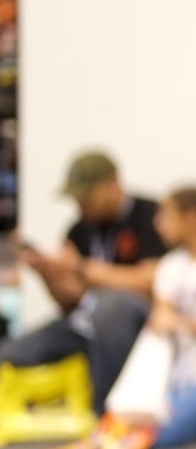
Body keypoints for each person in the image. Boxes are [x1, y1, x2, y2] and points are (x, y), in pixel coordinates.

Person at [48, 185, 196, 449]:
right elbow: (162, 318)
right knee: (127, 427)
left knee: (161, 436)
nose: (158, 224)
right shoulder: (172, 266)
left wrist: (182, 322)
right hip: (180, 374)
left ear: (192, 218)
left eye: (166, 217)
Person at [0, 150, 167, 413]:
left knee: (111, 308)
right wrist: (48, 273)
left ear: (114, 185)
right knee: (11, 354)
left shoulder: (152, 216)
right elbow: (71, 300)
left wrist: (80, 267)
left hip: (140, 322)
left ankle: (108, 415)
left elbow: (152, 281)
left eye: (86, 195)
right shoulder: (79, 228)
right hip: (86, 322)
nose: (80, 203)